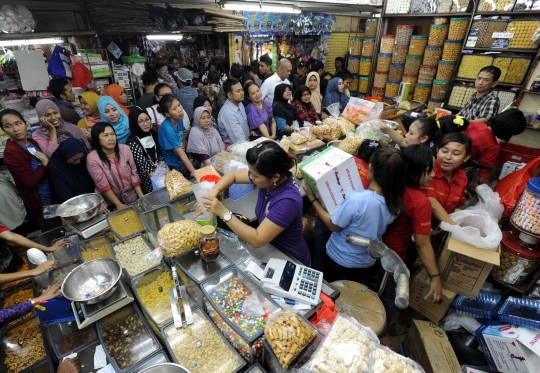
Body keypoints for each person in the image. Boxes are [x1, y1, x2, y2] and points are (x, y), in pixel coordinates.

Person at [303, 147, 407, 284]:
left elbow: (333, 226)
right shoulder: (395, 202)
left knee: (334, 289)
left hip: (340, 258)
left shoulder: (359, 200)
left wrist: (312, 198)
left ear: (370, 167)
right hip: (366, 261)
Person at [199, 141, 311, 265]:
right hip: (271, 249)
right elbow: (233, 176)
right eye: (250, 172)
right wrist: (213, 192)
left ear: (275, 177)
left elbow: (257, 239)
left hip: (290, 258)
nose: (251, 177)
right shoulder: (268, 180)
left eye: (255, 176)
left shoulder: (288, 201)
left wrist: (223, 212)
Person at [382, 145, 442, 316]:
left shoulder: (390, 182)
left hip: (377, 246)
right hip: (394, 256)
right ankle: (381, 329)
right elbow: (422, 245)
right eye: (429, 170)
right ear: (413, 170)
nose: (433, 174)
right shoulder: (419, 202)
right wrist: (435, 277)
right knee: (391, 295)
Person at [1, 109, 57, 231]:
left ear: (25, 123)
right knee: (54, 235)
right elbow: (29, 181)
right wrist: (45, 163)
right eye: (8, 126)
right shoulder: (12, 152)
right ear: (4, 130)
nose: (15, 129)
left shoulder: (31, 142)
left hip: (51, 194)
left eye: (18, 123)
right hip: (41, 201)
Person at [87, 122, 143, 210]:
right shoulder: (93, 158)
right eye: (105, 135)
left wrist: (142, 198)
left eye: (112, 134)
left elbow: (134, 174)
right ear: (97, 139)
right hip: (113, 202)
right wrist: (118, 205)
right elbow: (103, 185)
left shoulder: (125, 149)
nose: (111, 138)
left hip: (132, 196)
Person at [462, 109, 527, 185]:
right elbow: (482, 179)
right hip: (454, 170)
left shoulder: (477, 124)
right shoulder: (492, 147)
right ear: (510, 132)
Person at [422, 133, 471, 226]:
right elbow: (431, 202)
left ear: (466, 157)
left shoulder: (462, 178)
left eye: (456, 154)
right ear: (437, 150)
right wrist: (454, 228)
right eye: (444, 151)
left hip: (441, 228)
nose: (448, 157)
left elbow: (458, 207)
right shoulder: (427, 171)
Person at [126, 107, 164, 194]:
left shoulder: (153, 133)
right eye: (141, 121)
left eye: (147, 119)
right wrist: (158, 182)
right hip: (146, 178)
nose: (146, 124)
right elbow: (142, 164)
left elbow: (160, 154)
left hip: (161, 172)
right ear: (135, 123)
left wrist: (163, 174)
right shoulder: (132, 140)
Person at [157, 95, 196, 178]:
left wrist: (183, 147)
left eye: (179, 105)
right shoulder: (167, 129)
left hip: (182, 159)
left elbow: (182, 136)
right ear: (167, 113)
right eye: (174, 109)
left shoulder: (179, 119)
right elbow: (182, 155)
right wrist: (196, 174)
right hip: (174, 164)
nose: (180, 110)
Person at [48, 138, 95, 204]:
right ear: (66, 155)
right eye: (74, 159)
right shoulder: (55, 167)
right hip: (70, 205)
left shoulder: (83, 160)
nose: (78, 162)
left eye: (81, 158)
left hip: (90, 200)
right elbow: (62, 192)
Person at [217, 78, 250, 145]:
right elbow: (239, 141)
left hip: (247, 142)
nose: (242, 93)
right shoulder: (227, 113)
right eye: (238, 91)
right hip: (236, 148)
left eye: (242, 90)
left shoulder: (240, 103)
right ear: (230, 95)